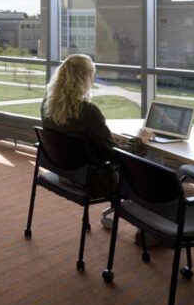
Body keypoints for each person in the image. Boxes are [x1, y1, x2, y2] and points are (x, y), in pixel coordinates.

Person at [41, 54, 152, 229]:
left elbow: (76, 134)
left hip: (64, 172)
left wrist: (105, 136)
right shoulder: (87, 111)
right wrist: (139, 140)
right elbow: (115, 156)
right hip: (91, 180)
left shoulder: (47, 104)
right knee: (147, 171)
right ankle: (150, 230)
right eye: (91, 74)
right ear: (84, 78)